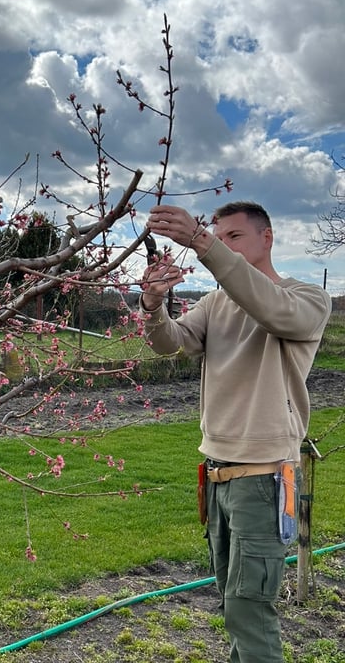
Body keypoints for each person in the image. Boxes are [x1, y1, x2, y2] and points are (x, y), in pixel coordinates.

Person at [140, 201, 331, 663]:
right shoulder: (216, 303)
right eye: (219, 235)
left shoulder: (306, 299)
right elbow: (171, 343)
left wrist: (203, 244)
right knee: (234, 604)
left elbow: (271, 308)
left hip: (264, 478)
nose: (223, 244)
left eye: (234, 237)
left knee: (250, 608)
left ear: (267, 238)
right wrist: (153, 305)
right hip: (216, 476)